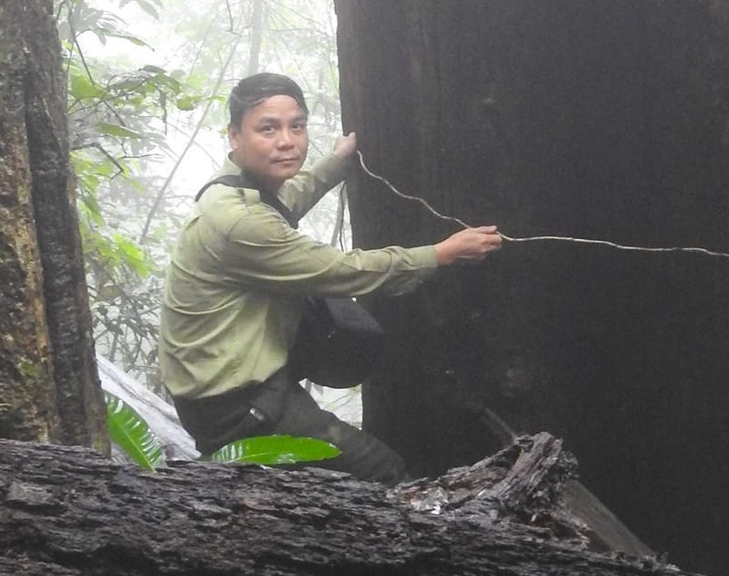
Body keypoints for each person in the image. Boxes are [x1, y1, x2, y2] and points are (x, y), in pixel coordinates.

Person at [159, 72, 500, 482]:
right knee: (382, 471)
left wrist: (338, 161)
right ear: (234, 136)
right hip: (234, 406)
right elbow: (342, 271)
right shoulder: (237, 220)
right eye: (268, 128)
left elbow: (288, 196)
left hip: (237, 386)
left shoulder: (240, 190)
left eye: (296, 126)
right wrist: (442, 254)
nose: (287, 141)